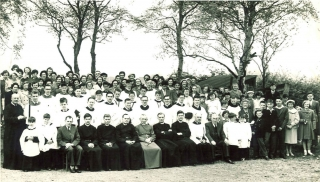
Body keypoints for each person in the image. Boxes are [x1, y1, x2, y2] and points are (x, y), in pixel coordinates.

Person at [3, 93, 27, 170]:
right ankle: (10, 165)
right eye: (15, 98)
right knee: (11, 147)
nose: (16, 99)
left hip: (18, 130)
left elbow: (22, 117)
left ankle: (18, 165)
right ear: (11, 99)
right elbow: (6, 119)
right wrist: (17, 118)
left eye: (17, 98)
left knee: (17, 147)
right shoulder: (7, 107)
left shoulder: (20, 107)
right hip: (10, 131)